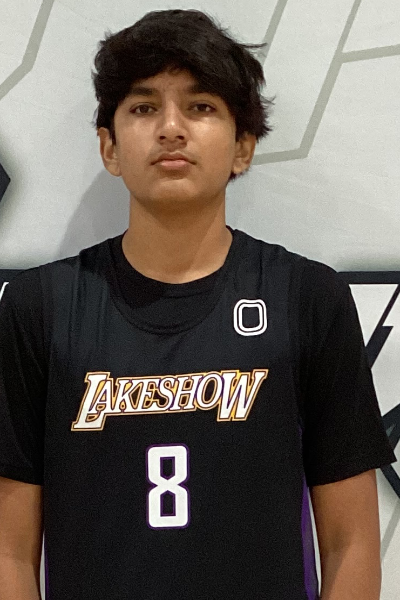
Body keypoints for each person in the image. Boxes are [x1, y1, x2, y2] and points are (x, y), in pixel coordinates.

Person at [0, 9, 396, 600]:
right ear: (109, 147)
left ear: (243, 146)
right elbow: (8, 549)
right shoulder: (39, 309)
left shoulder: (309, 299)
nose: (171, 128)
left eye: (201, 106)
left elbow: (351, 542)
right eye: (143, 108)